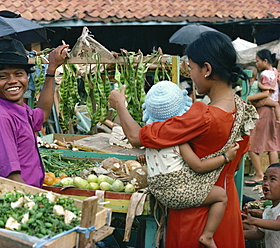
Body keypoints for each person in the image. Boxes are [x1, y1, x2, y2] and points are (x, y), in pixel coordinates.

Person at [109, 31, 258, 247]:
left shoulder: (202, 115)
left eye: (192, 69)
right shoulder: (244, 111)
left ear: (207, 69)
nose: (191, 77)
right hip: (226, 206)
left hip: (195, 212)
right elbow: (234, 166)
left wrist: (120, 105)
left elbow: (135, 137)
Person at [143, 80, 239, 248]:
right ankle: (208, 236)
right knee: (221, 196)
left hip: (161, 194)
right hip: (179, 194)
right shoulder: (179, 140)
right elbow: (199, 166)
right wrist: (225, 157)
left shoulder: (149, 139)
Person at [0, 38, 68, 187]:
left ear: (27, 77)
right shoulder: (0, 119)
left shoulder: (19, 111)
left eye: (19, 74)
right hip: (18, 199)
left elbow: (43, 114)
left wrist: (51, 69)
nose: (13, 81)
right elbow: (12, 179)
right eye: (3, 76)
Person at [245, 50, 280, 187]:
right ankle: (275, 176)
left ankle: (260, 174)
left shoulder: (264, 74)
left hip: (264, 108)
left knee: (251, 144)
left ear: (265, 61)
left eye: (258, 60)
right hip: (274, 109)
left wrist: (248, 98)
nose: (256, 63)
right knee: (272, 145)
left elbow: (265, 93)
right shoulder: (275, 72)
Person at [243, 163, 280, 247]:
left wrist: (252, 220)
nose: (266, 183)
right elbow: (259, 234)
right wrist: (238, 234)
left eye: (272, 179)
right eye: (265, 179)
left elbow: (278, 224)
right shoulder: (268, 211)